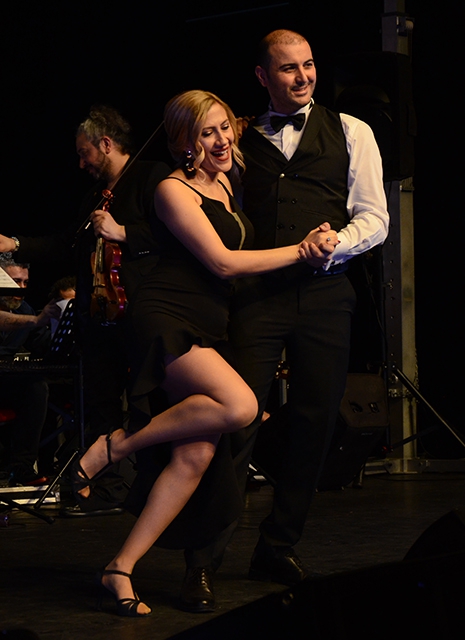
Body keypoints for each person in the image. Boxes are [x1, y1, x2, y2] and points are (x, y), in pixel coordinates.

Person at [71, 89, 335, 617]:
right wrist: (302, 251)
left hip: (208, 325)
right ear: (184, 143)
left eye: (223, 127)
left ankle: (119, 567)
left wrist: (316, 231)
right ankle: (114, 447)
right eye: (205, 132)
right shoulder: (173, 190)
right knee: (240, 406)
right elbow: (223, 264)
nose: (220, 139)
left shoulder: (228, 181)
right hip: (167, 318)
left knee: (195, 455)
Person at [180, 29, 390, 611]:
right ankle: (203, 560)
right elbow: (201, 198)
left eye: (309, 65)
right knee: (236, 422)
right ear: (262, 76)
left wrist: (336, 242)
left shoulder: (352, 131)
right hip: (256, 298)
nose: (303, 77)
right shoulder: (239, 138)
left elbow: (375, 217)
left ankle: (278, 545)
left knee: (315, 424)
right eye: (289, 68)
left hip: (326, 296)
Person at [0, 105, 171, 515]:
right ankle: (109, 488)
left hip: (143, 312)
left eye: (85, 153)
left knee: (147, 404)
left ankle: (154, 485)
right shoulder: (94, 198)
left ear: (106, 143)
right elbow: (66, 244)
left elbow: (174, 233)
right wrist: (15, 244)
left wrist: (122, 232)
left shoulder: (153, 178)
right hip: (100, 318)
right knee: (101, 405)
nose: (81, 163)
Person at [0, 257, 61, 486]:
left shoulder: (23, 308)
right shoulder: (26, 315)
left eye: (25, 283)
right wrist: (36, 320)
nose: (21, 289)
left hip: (5, 380)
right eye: (15, 282)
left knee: (37, 387)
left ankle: (22, 467)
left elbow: (43, 344)